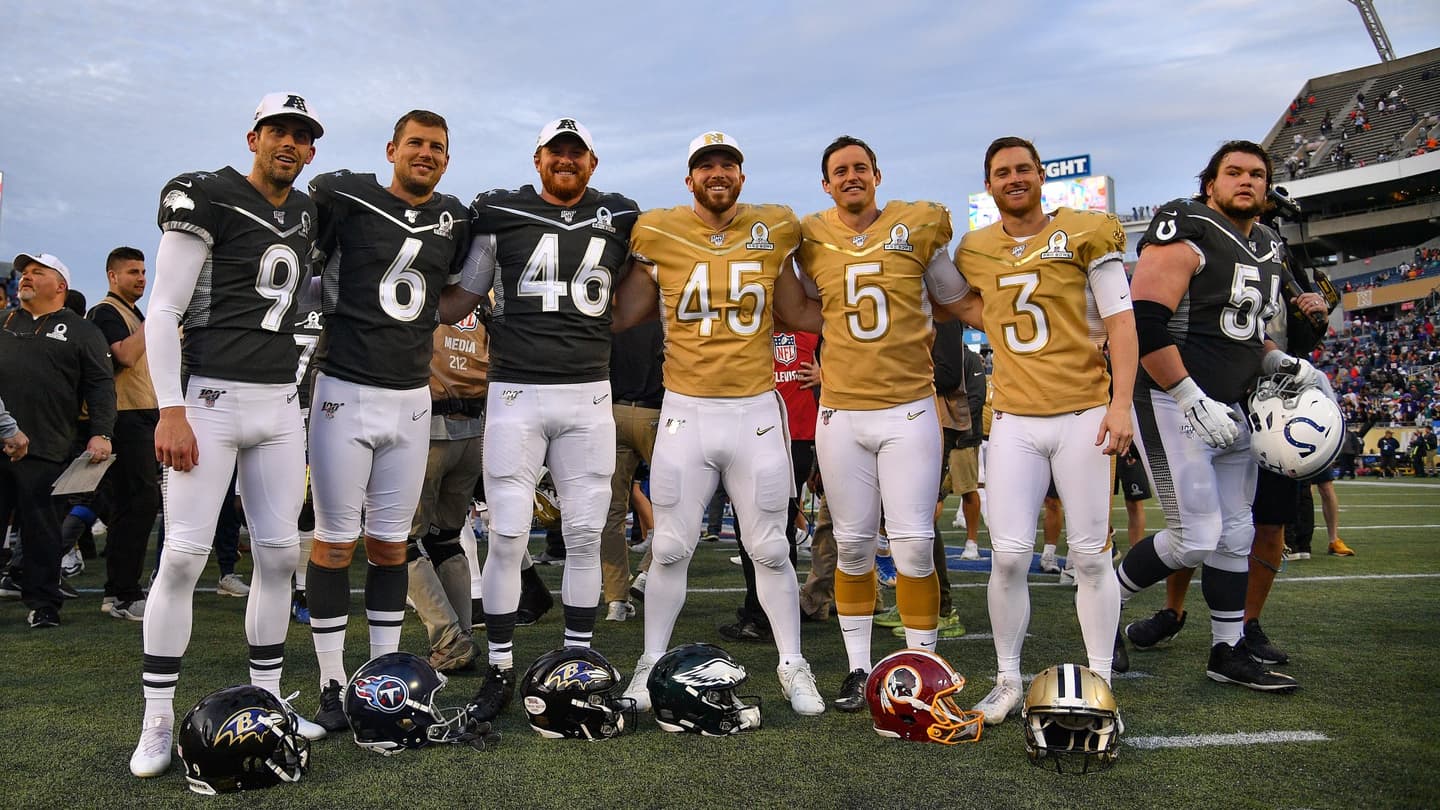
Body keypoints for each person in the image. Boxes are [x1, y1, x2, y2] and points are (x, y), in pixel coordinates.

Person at [133, 92, 326, 778]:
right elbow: (162, 307)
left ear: (312, 149)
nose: (289, 144)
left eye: (302, 137)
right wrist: (171, 407)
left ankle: (268, 701)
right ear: (254, 135)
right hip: (209, 397)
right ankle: (158, 717)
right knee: (182, 557)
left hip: (279, 405)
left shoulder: (305, 210)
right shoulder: (206, 193)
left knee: (278, 557)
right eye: (279, 131)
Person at [612, 130, 824, 716]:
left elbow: (800, 309)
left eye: (727, 164)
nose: (717, 174)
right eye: (706, 166)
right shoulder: (658, 230)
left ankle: (792, 662)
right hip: (685, 411)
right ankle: (650, 661)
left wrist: (870, 303)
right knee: (672, 547)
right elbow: (622, 313)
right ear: (689, 178)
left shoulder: (774, 227)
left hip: (755, 410)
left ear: (741, 174)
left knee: (771, 548)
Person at [439, 117, 638, 724]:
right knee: (506, 535)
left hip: (588, 394)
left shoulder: (622, 215)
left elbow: (637, 290)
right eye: (557, 153)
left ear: (592, 163)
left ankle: (575, 663)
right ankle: (500, 667)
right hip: (517, 392)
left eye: (577, 154)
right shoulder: (498, 212)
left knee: (581, 534)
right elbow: (466, 292)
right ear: (538, 158)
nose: (567, 162)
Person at [774, 135, 973, 711]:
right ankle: (860, 668)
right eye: (840, 171)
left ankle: (923, 663)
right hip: (841, 412)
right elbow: (802, 307)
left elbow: (952, 297)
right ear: (826, 183)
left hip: (908, 406)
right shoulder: (811, 238)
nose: (851, 177)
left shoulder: (918, 224)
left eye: (860, 168)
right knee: (854, 545)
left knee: (912, 544)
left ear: (877, 175)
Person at [949, 136, 1135, 724]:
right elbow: (964, 304)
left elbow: (1122, 323)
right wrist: (996, 320)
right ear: (989, 185)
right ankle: (1007, 678)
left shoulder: (1085, 231)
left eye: (1023, 169)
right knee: (1007, 557)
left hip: (1083, 411)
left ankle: (1101, 679)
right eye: (1002, 173)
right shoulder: (976, 247)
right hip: (1013, 420)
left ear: (1040, 175)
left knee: (1090, 556)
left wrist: (1122, 402)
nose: (1013, 179)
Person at [1114, 140, 1312, 693]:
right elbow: (1147, 321)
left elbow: (1246, 337)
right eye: (1234, 172)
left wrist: (1283, 361)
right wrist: (1186, 395)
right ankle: (1106, 601)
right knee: (1195, 536)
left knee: (1235, 533)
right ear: (1211, 184)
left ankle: (1225, 649)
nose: (1246, 180)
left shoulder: (1270, 246)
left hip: (1236, 403)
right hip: (1172, 399)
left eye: (1257, 173)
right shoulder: (1188, 224)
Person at [302, 109, 472, 731]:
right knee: (334, 540)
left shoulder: (454, 217)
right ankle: (329, 682)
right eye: (416, 144)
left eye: (437, 147)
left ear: (447, 159)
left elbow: (458, 296)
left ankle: (379, 677)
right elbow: (299, 262)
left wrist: (441, 306)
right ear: (393, 148)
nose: (426, 154)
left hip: (410, 398)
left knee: (390, 545)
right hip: (345, 388)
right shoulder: (347, 197)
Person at [0, 252, 115, 629]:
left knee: (42, 533)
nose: (26, 277)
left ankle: (43, 603)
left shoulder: (81, 330)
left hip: (46, 446)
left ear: (60, 285)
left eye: (37, 272)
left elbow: (100, 384)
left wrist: (101, 432)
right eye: (24, 273)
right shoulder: (3, 321)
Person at [406, 305, 489, 672]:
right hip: (473, 430)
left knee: (400, 543)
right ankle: (463, 636)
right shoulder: (483, 297)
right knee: (447, 539)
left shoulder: (428, 292)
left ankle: (449, 638)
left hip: (430, 430)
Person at [86, 247, 160, 621]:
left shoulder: (132, 312)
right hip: (126, 417)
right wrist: (158, 318)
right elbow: (124, 356)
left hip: (141, 414)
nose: (142, 278)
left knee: (135, 506)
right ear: (112, 275)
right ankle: (123, 594)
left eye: (145, 271)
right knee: (137, 503)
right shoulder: (105, 312)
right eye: (133, 272)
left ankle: (120, 590)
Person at [600, 319, 664, 622]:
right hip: (658, 412)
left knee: (611, 513)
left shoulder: (614, 314)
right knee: (676, 505)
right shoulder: (663, 315)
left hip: (614, 411)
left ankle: (615, 599)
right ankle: (648, 573)